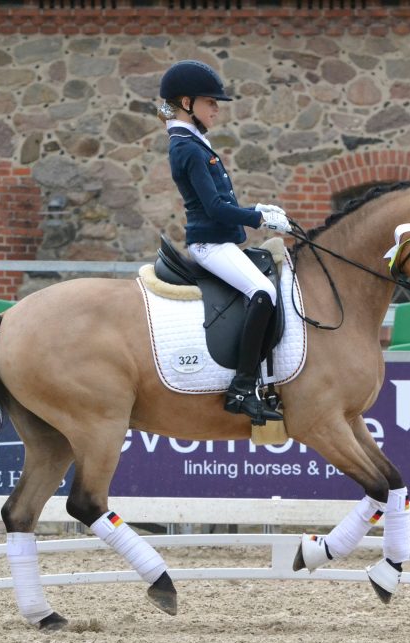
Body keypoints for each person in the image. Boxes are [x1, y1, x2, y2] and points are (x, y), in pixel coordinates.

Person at [157, 59, 291, 425]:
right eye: (210, 102)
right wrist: (259, 217)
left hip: (221, 242)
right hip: (210, 245)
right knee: (263, 293)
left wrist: (257, 209)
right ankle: (242, 388)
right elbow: (216, 209)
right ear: (187, 103)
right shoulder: (186, 148)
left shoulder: (195, 143)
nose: (216, 108)